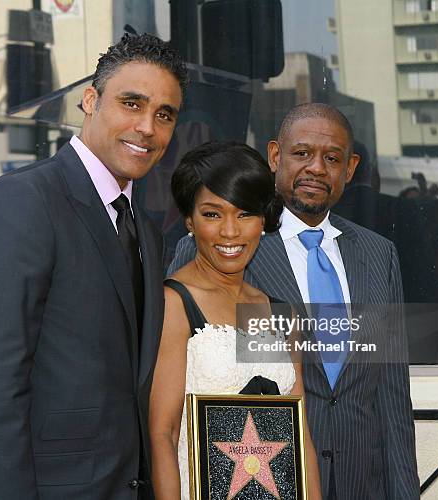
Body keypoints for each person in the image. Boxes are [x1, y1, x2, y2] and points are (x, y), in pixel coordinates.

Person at [0, 33, 187, 500]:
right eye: (131, 103)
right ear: (90, 100)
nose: (146, 128)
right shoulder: (22, 202)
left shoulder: (145, 228)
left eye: (164, 114)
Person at [169, 103, 420, 499]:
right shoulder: (228, 245)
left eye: (332, 158)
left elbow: (391, 396)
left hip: (363, 483)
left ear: (350, 168)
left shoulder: (378, 254)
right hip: (259, 480)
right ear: (275, 156)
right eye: (302, 153)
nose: (316, 168)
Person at [149, 142, 322, 500]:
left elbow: (299, 436)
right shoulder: (176, 304)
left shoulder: (279, 314)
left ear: (263, 220)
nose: (230, 232)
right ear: (189, 221)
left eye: (245, 214)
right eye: (213, 214)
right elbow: (162, 435)